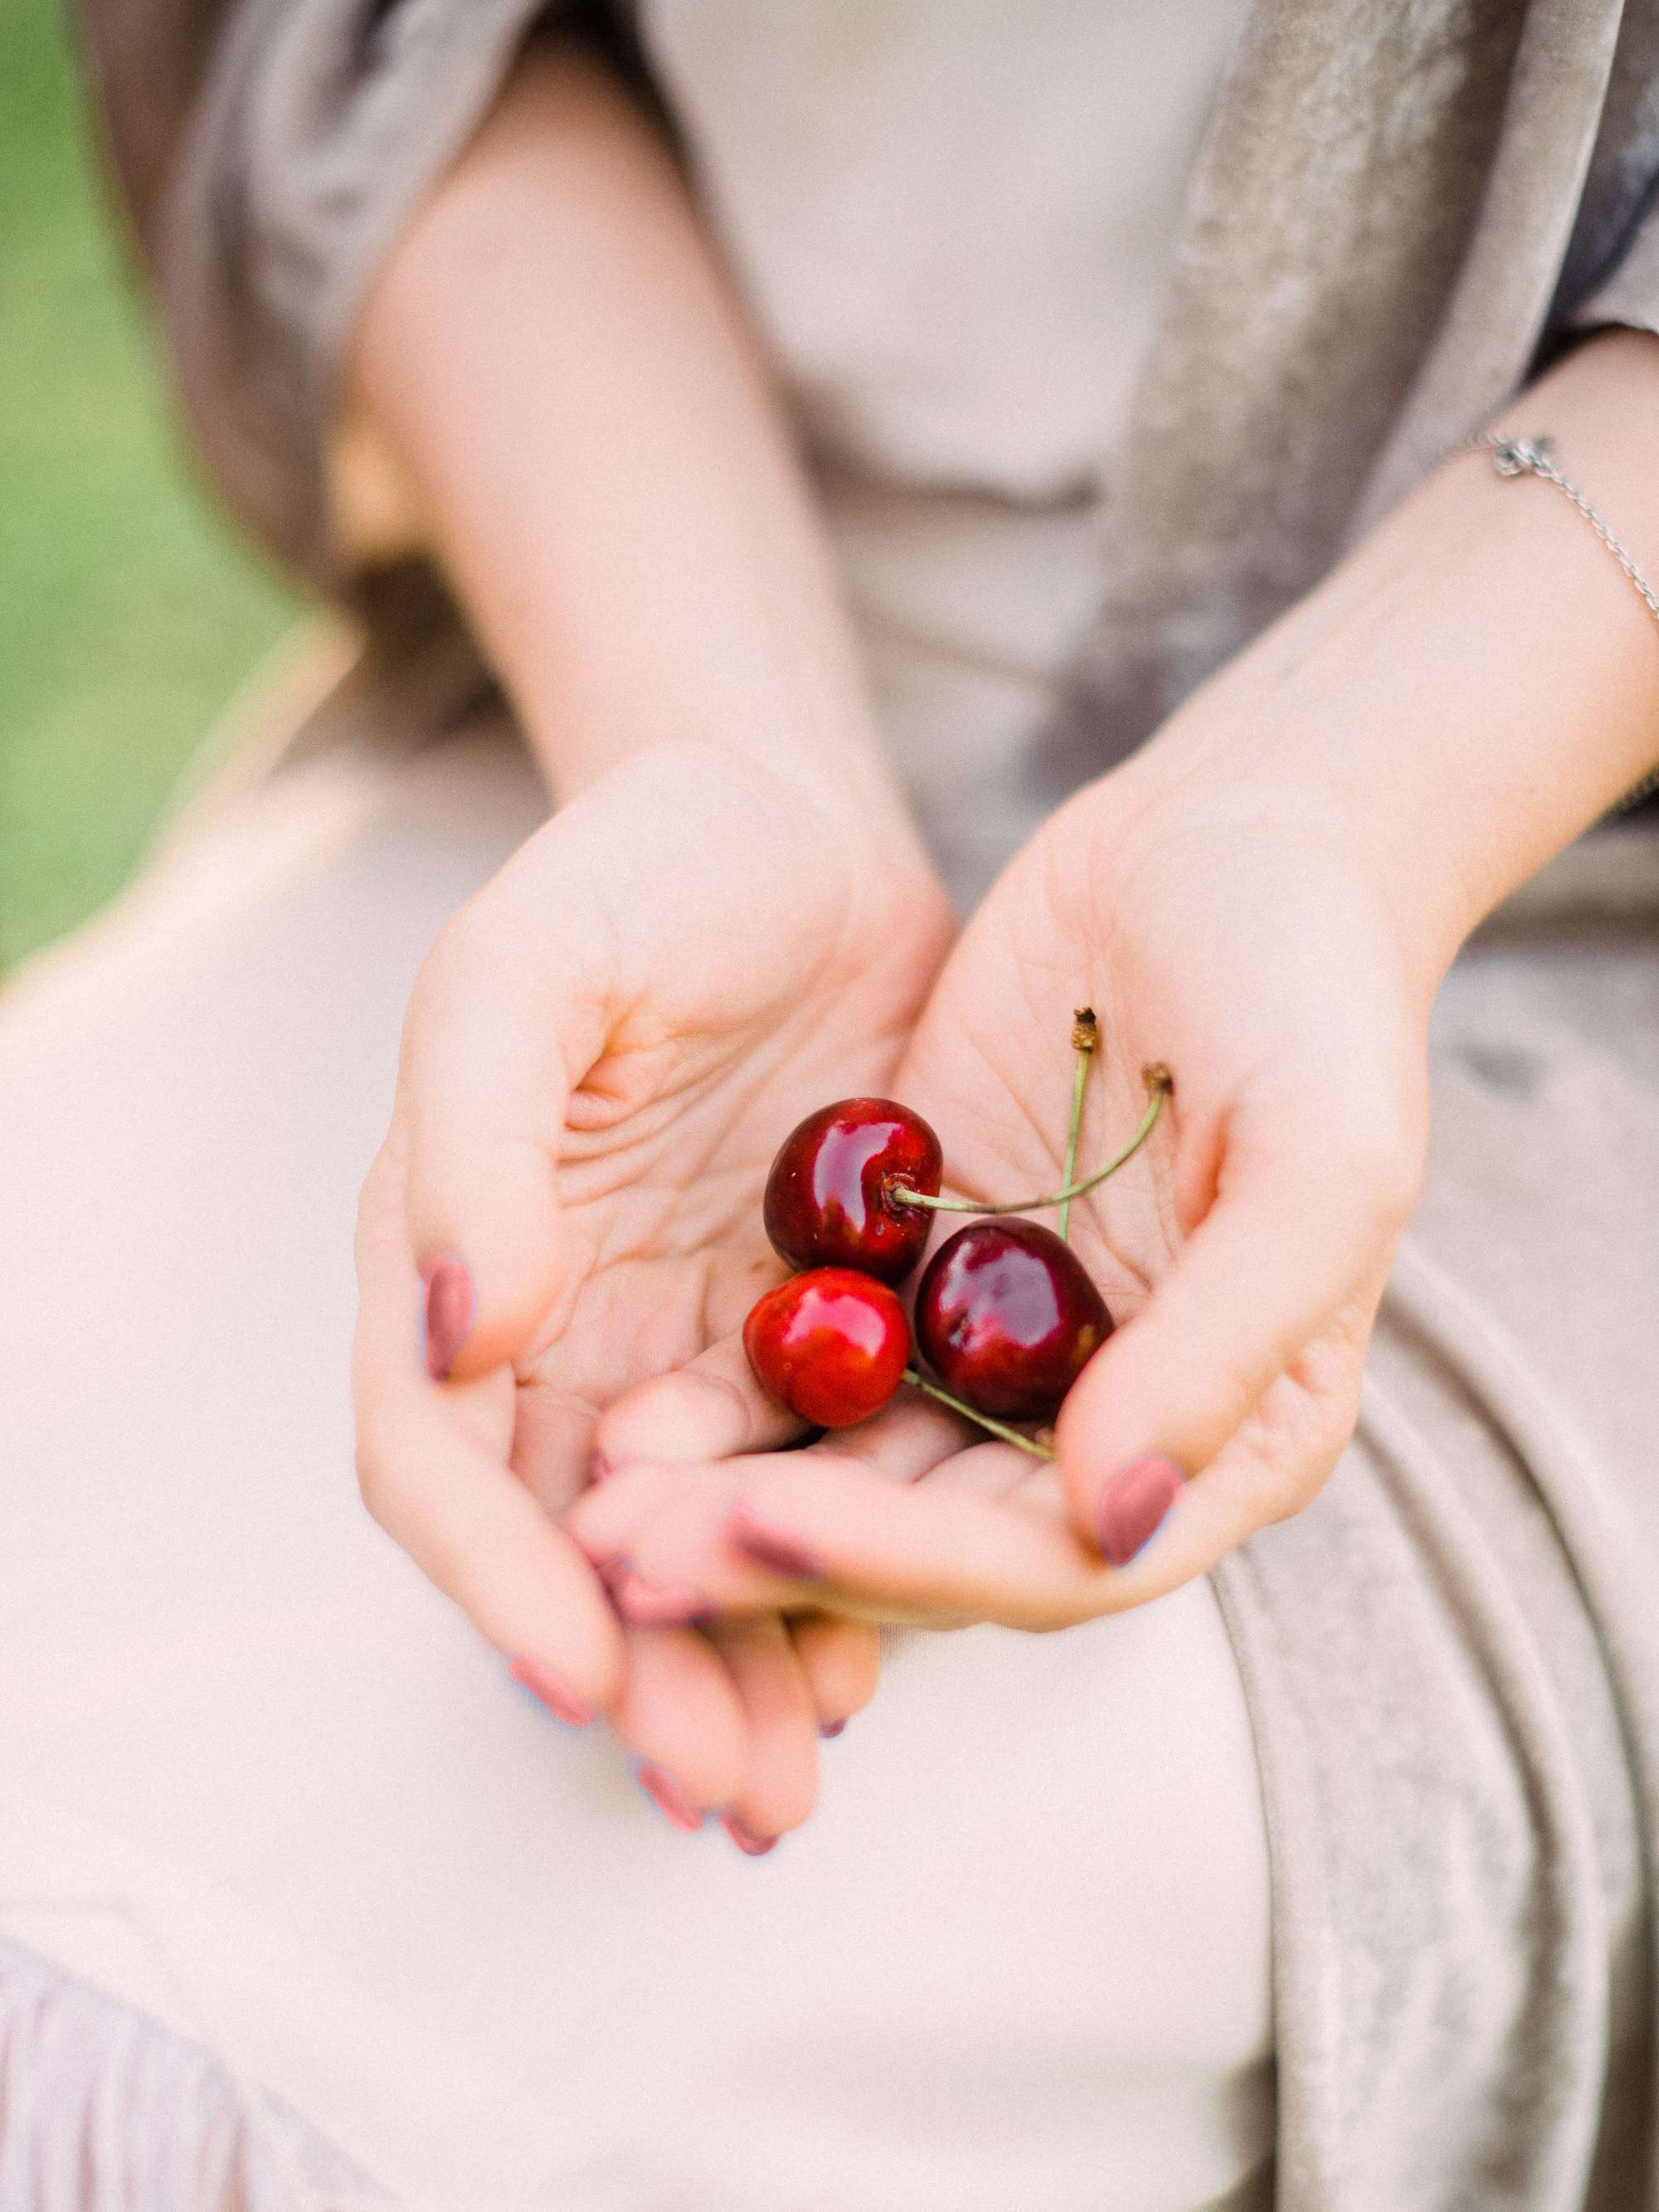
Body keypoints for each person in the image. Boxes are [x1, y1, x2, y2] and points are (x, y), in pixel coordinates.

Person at [2, 2, 1656, 2204]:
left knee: (598, 2048)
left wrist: (1340, 813)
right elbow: (325, 56)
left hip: (1540, 827)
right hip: (661, 631)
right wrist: (726, 737)